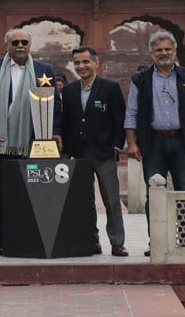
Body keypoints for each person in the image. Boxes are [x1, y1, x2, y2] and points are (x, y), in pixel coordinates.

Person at [124, 31, 185, 257]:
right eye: (159, 50)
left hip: (183, 143)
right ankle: (157, 241)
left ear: (174, 51)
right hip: (153, 144)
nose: (164, 53)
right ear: (152, 53)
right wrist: (131, 143)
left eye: (167, 49)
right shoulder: (140, 80)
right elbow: (131, 113)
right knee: (154, 194)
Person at [0, 28, 62, 256]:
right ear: (7, 45)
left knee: (33, 190)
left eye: (25, 41)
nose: (20, 45)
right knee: (1, 192)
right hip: (1, 141)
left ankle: (31, 234)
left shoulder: (44, 71)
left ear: (30, 45)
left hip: (35, 141)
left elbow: (53, 105)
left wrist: (53, 131)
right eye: (15, 42)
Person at [61, 46, 128, 257]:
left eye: (85, 62)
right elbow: (66, 121)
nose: (81, 66)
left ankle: (117, 242)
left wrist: (116, 146)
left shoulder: (110, 88)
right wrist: (66, 149)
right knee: (84, 201)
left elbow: (120, 119)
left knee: (111, 200)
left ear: (95, 63)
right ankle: (91, 241)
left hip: (104, 153)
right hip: (79, 154)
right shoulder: (70, 91)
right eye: (77, 63)